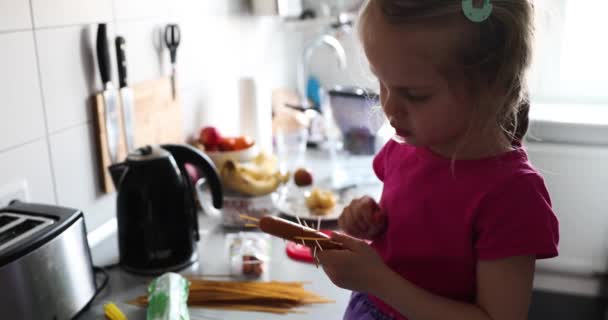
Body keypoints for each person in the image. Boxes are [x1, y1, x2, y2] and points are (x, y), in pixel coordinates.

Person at [316, 1, 560, 319]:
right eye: (382, 83)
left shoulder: (512, 195)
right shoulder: (405, 148)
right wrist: (369, 222)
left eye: (415, 95)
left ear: (491, 87)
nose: (389, 108)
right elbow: (412, 240)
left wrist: (377, 280)